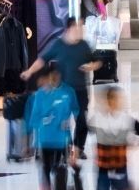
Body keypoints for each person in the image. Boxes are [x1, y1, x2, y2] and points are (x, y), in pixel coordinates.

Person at [22, 17, 101, 154]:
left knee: (81, 120)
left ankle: (78, 148)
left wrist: (91, 66)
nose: (80, 30)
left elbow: (97, 62)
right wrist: (29, 71)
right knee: (61, 120)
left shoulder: (84, 45)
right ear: (69, 29)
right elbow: (42, 60)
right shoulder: (58, 45)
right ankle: (67, 147)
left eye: (81, 27)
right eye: (78, 27)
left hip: (80, 90)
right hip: (62, 91)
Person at [24, 68, 78, 190]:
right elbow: (34, 118)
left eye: (57, 75)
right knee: (44, 173)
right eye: (51, 76)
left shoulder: (68, 92)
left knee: (61, 171)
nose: (54, 78)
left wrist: (76, 139)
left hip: (63, 141)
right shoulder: (41, 94)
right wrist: (29, 142)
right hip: (44, 141)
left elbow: (77, 112)